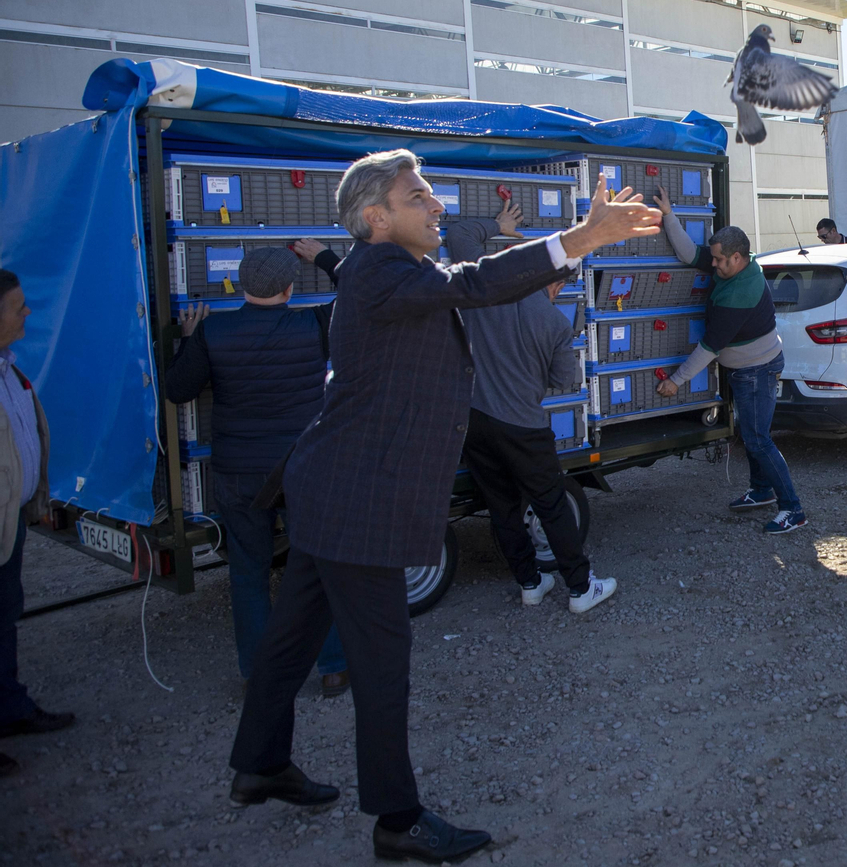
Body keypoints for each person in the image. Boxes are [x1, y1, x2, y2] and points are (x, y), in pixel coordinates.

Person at [228, 151, 659, 863]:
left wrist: (574, 240)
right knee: (382, 662)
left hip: (328, 488)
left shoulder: (392, 274)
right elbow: (481, 280)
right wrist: (582, 239)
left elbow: (466, 281)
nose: (436, 206)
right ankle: (397, 820)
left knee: (291, 639)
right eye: (417, 195)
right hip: (358, 500)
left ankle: (259, 765)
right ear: (376, 217)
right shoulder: (380, 270)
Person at [165, 247, 350, 696]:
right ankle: (333, 668)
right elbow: (358, 291)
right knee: (320, 566)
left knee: (248, 570)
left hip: (239, 472)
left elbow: (176, 391)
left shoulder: (214, 331)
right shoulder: (315, 325)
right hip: (302, 466)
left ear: (243, 287)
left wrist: (188, 340)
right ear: (289, 289)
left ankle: (259, 674)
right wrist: (325, 258)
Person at [447, 213, 611, 611]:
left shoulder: (480, 288)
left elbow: (458, 233)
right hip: (522, 426)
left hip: (473, 420)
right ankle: (580, 587)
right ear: (553, 283)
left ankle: (531, 583)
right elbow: (564, 380)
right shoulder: (555, 325)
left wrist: (499, 225)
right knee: (551, 504)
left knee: (500, 506)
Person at [656, 192, 803, 534]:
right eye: (716, 258)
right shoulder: (733, 261)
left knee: (758, 439)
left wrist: (676, 380)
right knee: (752, 433)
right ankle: (761, 490)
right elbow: (689, 253)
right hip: (746, 370)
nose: (714, 265)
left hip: (757, 370)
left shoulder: (741, 291)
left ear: (737, 258)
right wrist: (668, 214)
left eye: (720, 261)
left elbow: (710, 346)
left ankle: (793, 508)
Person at [0, 270, 72, 779]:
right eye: (18, 306)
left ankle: (11, 709)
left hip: (12, 521)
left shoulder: (9, 369)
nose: (27, 314)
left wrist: (34, 501)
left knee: (6, 618)